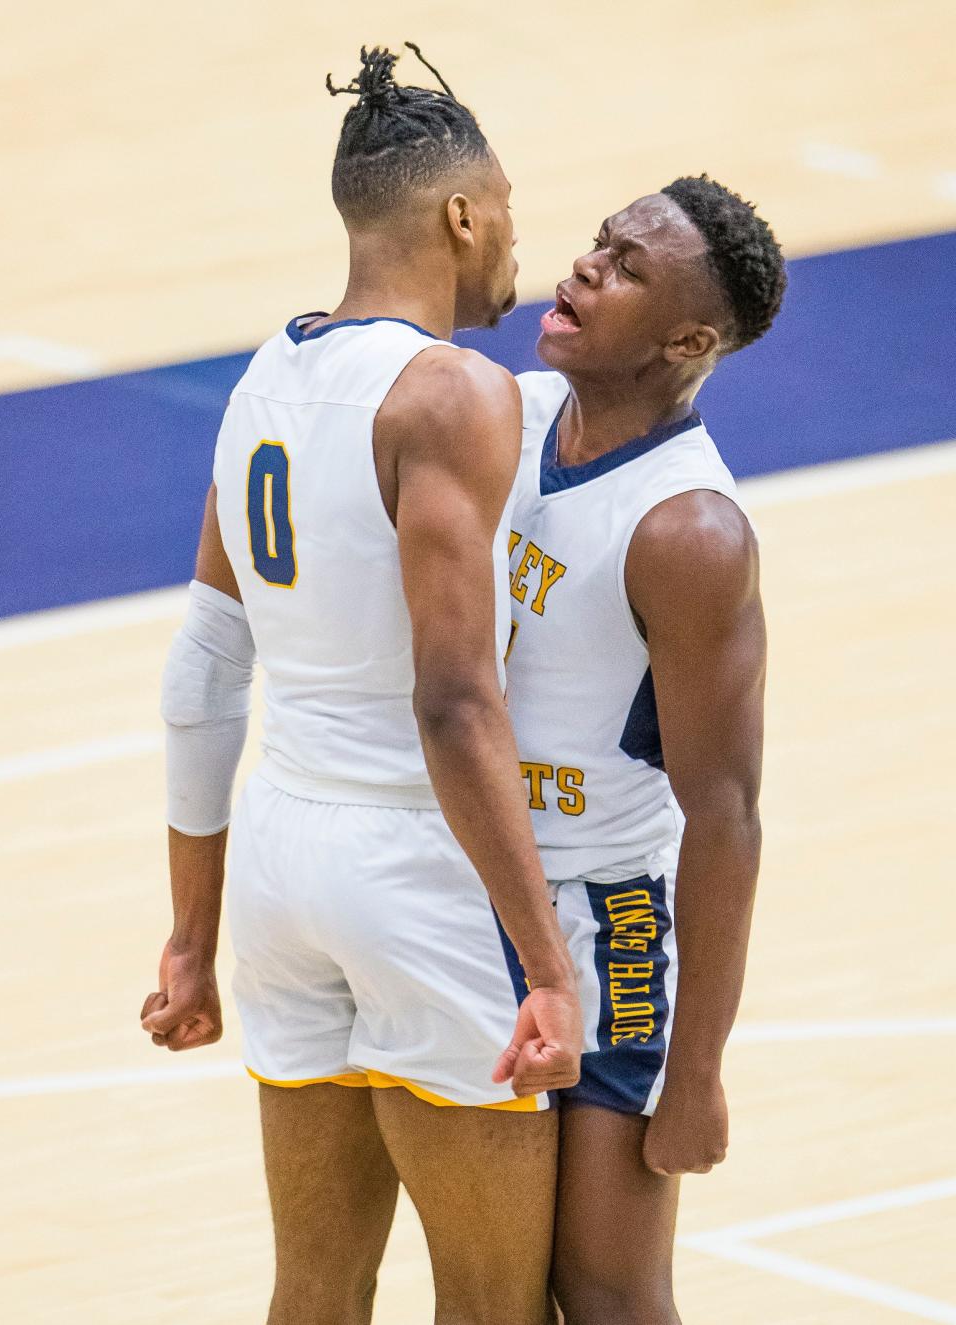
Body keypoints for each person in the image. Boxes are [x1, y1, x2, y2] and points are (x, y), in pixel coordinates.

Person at [140, 44, 582, 1325]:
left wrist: (190, 930)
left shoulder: (261, 378)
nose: (515, 242)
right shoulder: (453, 394)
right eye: (505, 209)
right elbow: (454, 701)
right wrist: (547, 963)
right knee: (494, 1303)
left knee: (315, 1291)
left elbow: (203, 671)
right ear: (459, 213)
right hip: (421, 869)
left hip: (281, 862)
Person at [504, 175, 786, 1323]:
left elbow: (726, 813)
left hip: (596, 913)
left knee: (605, 1286)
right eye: (595, 245)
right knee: (492, 1285)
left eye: (622, 267)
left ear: (686, 339)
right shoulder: (505, 415)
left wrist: (700, 1069)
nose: (582, 269)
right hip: (452, 885)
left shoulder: (688, 530)